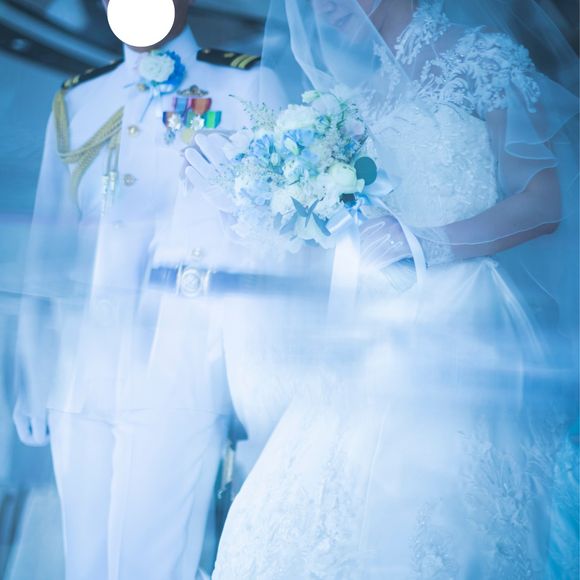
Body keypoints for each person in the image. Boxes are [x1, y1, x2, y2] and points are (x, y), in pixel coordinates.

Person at [205, 0, 579, 577]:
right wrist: (263, 210)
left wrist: (428, 242)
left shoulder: (483, 59)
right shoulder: (353, 95)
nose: (323, 7)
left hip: (461, 321)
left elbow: (543, 203)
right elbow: (347, 220)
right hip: (367, 323)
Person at [12, 1, 263, 577]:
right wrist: (32, 371)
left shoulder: (242, 83)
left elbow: (261, 237)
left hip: (183, 359)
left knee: (153, 561)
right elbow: (49, 242)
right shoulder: (79, 97)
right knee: (85, 562)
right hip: (81, 366)